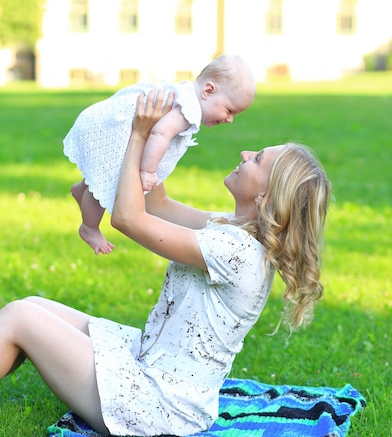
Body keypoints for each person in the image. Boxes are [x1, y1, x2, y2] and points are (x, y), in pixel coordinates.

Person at [0, 90, 331, 437]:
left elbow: (129, 218)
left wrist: (140, 135)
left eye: (258, 159)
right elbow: (157, 205)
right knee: (32, 306)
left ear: (265, 196)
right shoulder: (231, 230)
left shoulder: (236, 253)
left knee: (21, 318)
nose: (246, 154)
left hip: (159, 408)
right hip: (149, 363)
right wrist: (169, 130)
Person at [63, 54, 256, 254]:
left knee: (103, 171)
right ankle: (89, 227)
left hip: (105, 123)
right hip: (114, 130)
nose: (230, 119)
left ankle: (82, 188)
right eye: (229, 110)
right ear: (208, 90)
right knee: (108, 182)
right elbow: (160, 133)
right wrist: (148, 171)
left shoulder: (186, 92)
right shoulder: (189, 108)